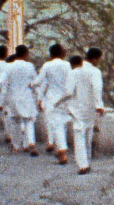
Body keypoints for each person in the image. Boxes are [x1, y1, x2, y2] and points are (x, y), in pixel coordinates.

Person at [37, 42, 75, 163]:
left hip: (52, 99)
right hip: (65, 99)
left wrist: (39, 98)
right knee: (62, 125)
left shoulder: (47, 65)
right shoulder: (68, 65)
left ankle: (62, 151)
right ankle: (60, 148)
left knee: (56, 125)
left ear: (50, 54)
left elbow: (40, 82)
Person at [1, 44, 41, 155]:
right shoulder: (30, 66)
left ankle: (16, 146)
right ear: (25, 54)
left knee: (15, 122)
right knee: (28, 121)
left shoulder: (8, 66)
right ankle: (31, 143)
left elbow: (4, 83)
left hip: (13, 98)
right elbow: (35, 82)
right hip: (26, 97)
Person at [71, 46, 105, 174]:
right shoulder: (95, 72)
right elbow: (97, 88)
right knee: (88, 134)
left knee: (79, 134)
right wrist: (99, 105)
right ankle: (87, 161)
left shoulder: (75, 71)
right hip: (90, 108)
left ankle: (82, 164)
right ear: (95, 59)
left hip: (76, 107)